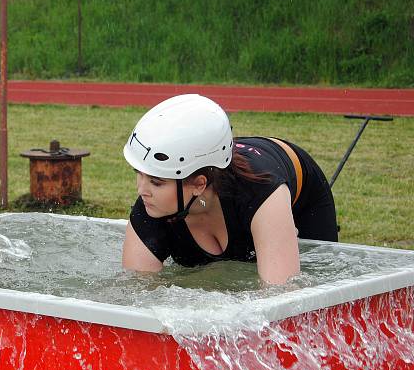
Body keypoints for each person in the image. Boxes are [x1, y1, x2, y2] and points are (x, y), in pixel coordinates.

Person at [121, 94, 338, 285]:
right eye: (138, 174)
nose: (141, 190)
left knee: (314, 277)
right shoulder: (151, 207)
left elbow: (282, 299)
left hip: (300, 197)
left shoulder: (261, 194)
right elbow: (138, 296)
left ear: (199, 184)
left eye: (156, 182)